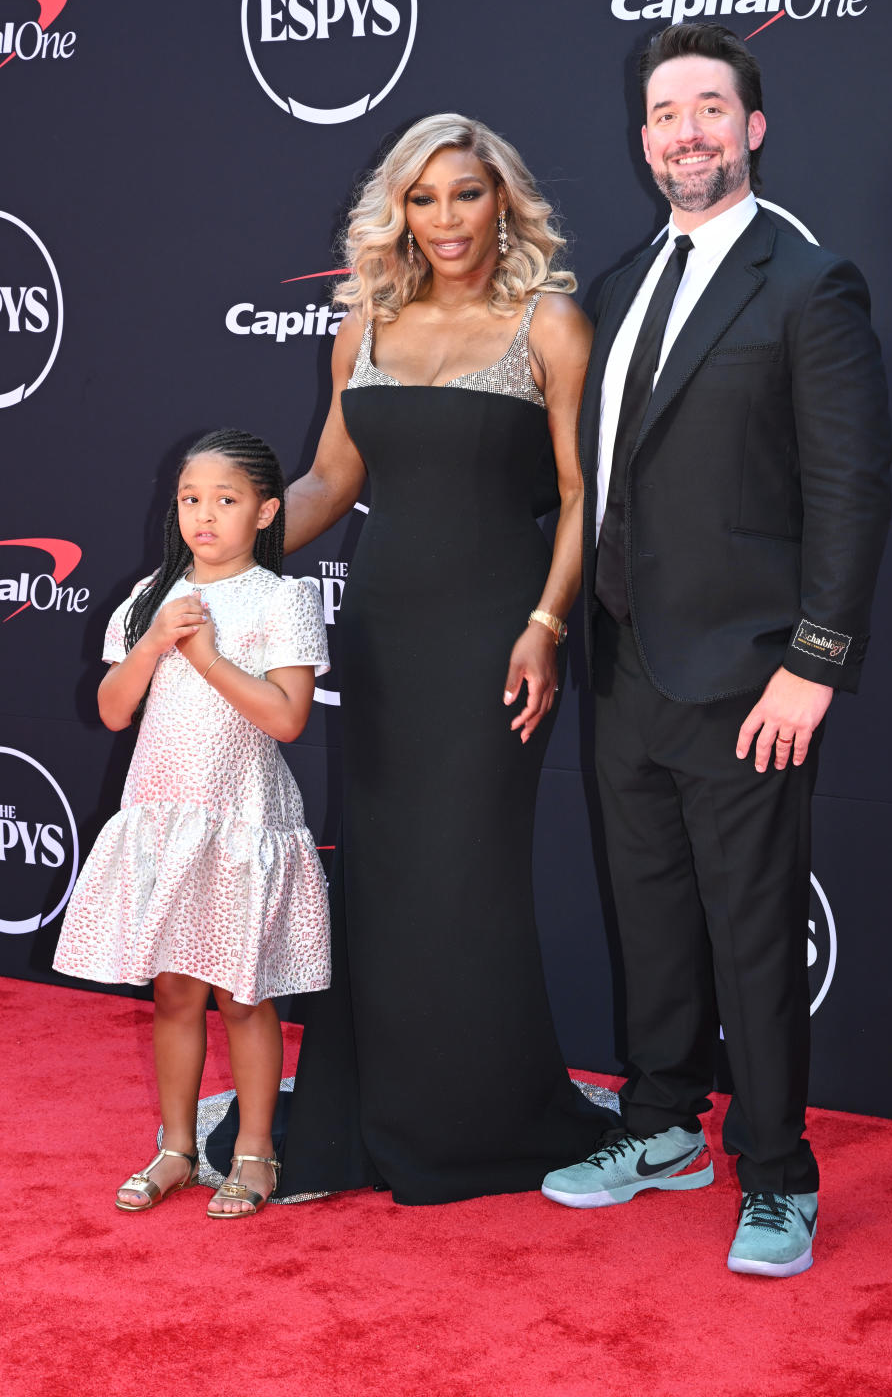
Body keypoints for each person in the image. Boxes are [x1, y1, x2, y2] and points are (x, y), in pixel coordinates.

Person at [540, 24, 892, 1277]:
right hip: (625, 665)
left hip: (749, 674)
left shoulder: (808, 282)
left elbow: (851, 489)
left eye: (707, 108)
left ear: (753, 128)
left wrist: (815, 660)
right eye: (661, 113)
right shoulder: (625, 285)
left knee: (751, 930)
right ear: (642, 139)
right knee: (651, 918)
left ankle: (780, 1175)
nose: (683, 131)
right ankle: (661, 1127)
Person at [269, 112, 609, 1205]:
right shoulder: (366, 319)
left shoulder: (550, 325)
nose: (447, 218)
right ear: (399, 212)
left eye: (466, 193)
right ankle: (367, 1114)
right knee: (378, 868)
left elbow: (577, 494)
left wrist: (547, 626)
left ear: (501, 199)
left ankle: (479, 1119)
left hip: (497, 632)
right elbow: (330, 478)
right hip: (381, 635)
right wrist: (227, 546)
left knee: (467, 873)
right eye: (425, 198)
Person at [53, 428, 331, 1219]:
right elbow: (111, 709)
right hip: (163, 816)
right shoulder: (151, 594)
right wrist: (155, 642)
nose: (204, 516)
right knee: (175, 992)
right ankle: (176, 1148)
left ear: (267, 510)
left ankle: (253, 1153)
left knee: (245, 996)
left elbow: (286, 718)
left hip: (242, 818)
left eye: (226, 500)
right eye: (190, 499)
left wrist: (207, 656)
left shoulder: (284, 598)